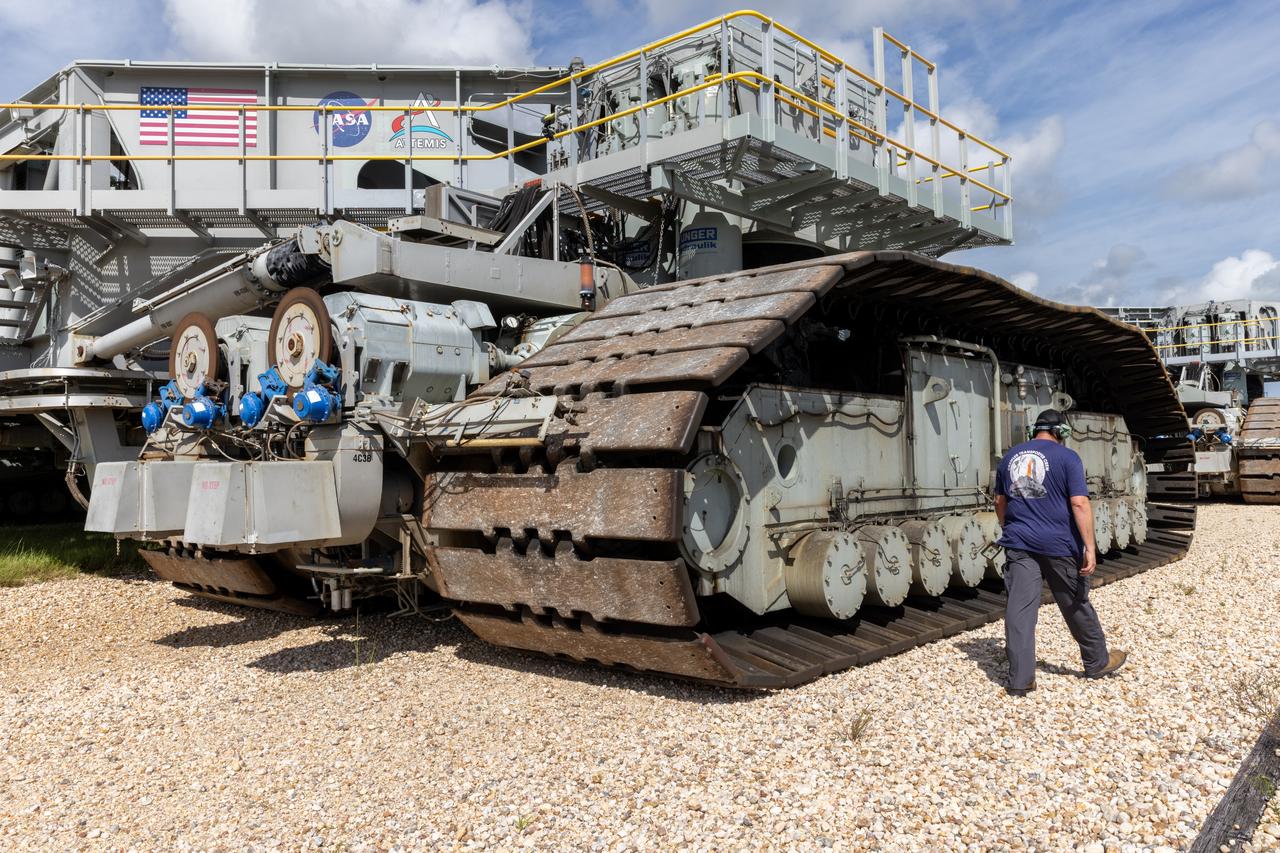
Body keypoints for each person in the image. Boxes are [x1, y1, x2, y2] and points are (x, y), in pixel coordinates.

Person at [993, 408, 1127, 696]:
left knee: (1020, 609)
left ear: (1034, 430)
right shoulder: (1068, 458)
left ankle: (1020, 680)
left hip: (1018, 543)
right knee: (1074, 600)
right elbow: (1079, 503)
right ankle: (1097, 661)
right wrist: (1090, 546)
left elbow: (999, 501)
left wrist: (1010, 528)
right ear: (1061, 432)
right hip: (1057, 544)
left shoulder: (1009, 457)